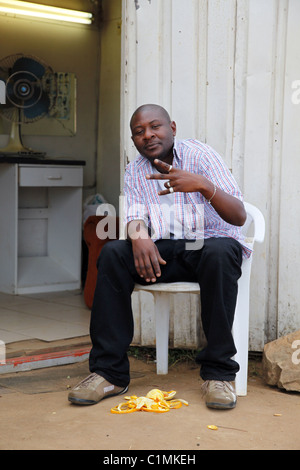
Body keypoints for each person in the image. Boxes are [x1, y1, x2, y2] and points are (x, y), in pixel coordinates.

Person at [68, 104, 251, 410]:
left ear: (173, 128)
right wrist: (138, 235)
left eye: (155, 127)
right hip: (164, 253)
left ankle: (219, 375)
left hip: (208, 249)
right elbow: (136, 216)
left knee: (221, 250)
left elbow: (239, 216)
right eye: (139, 131)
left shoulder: (200, 155)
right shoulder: (136, 169)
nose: (148, 135)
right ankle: (108, 373)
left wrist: (204, 186)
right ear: (133, 139)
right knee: (114, 253)